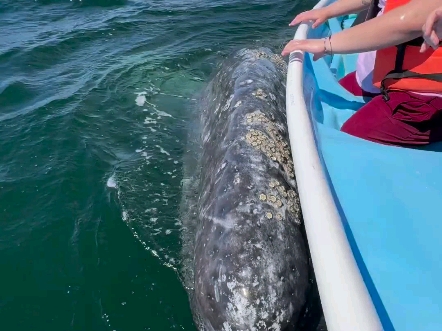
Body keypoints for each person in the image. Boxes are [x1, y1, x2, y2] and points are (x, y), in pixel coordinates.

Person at [282, 0, 442, 147]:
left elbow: (408, 21)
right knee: (331, 94)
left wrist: (326, 44)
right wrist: (328, 11)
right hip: (387, 75)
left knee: (350, 137)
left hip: (423, 96)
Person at [290, 0, 386, 97]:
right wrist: (326, 12)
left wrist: (326, 45)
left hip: (393, 86)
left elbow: (397, 28)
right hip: (367, 78)